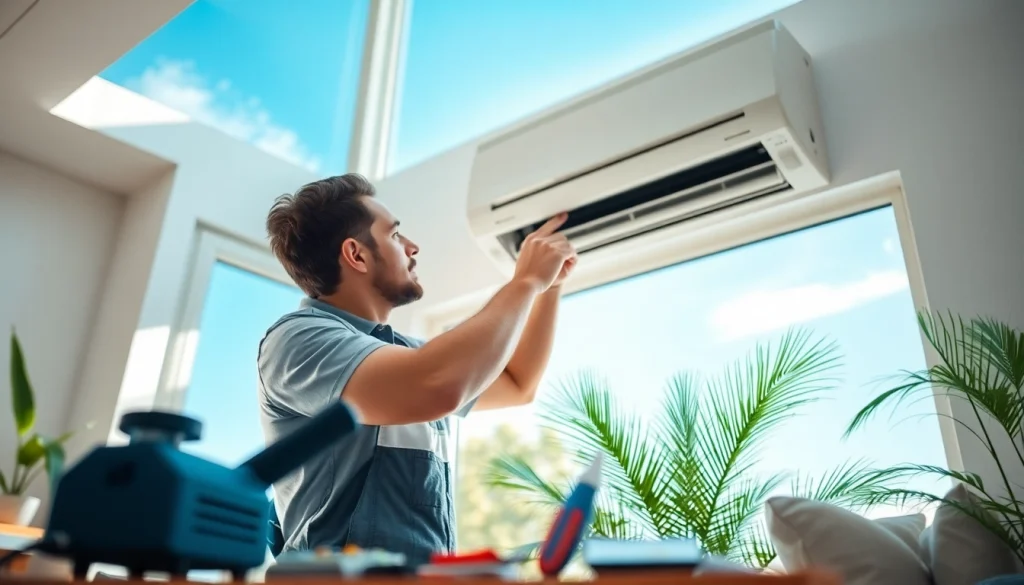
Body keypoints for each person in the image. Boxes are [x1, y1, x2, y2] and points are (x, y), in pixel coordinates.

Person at [258, 174, 577, 563]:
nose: (413, 247)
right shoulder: (298, 339)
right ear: (356, 254)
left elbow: (516, 383)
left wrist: (548, 287)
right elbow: (437, 384)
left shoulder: (406, 355)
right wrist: (526, 281)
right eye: (395, 235)